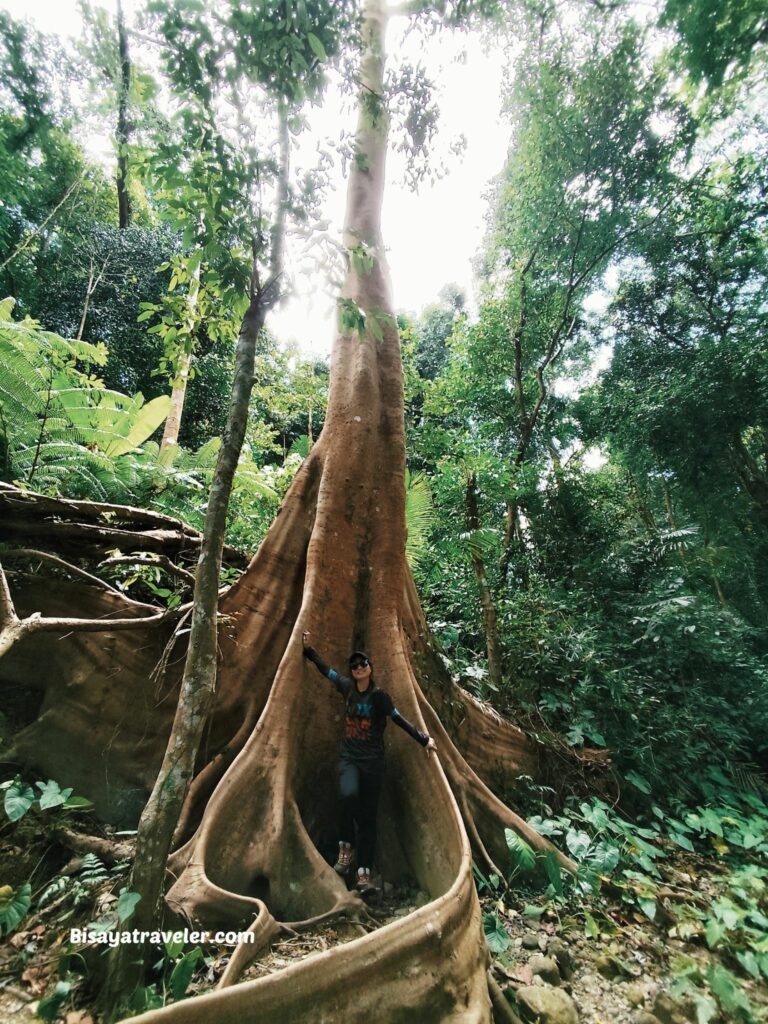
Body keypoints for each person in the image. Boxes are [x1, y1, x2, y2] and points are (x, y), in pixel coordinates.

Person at [302, 630, 437, 893]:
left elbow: (398, 719)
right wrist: (308, 651)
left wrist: (424, 739)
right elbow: (326, 672)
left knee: (368, 817)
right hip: (350, 758)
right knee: (347, 797)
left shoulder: (380, 696)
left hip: (373, 763)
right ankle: (345, 849)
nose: (359, 668)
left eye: (362, 663)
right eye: (354, 666)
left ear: (370, 668)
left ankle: (364, 873)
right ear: (351, 672)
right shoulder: (347, 687)